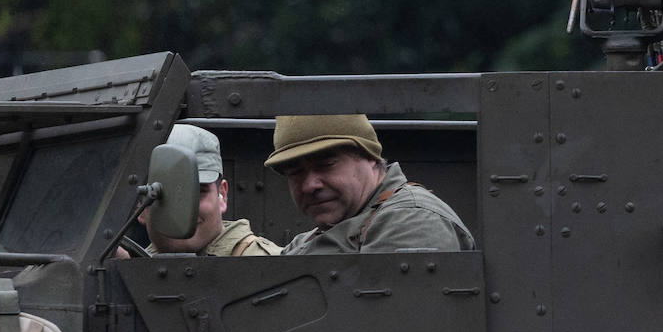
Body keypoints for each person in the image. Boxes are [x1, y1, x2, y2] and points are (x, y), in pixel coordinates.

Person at [264, 114, 475, 254]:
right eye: (295, 173)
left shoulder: (412, 220)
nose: (310, 185)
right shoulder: (316, 236)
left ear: (370, 156)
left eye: (326, 165)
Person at [129, 124, 280, 257]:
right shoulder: (130, 269)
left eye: (199, 192)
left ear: (223, 195)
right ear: (139, 208)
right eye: (166, 193)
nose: (185, 210)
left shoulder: (268, 266)